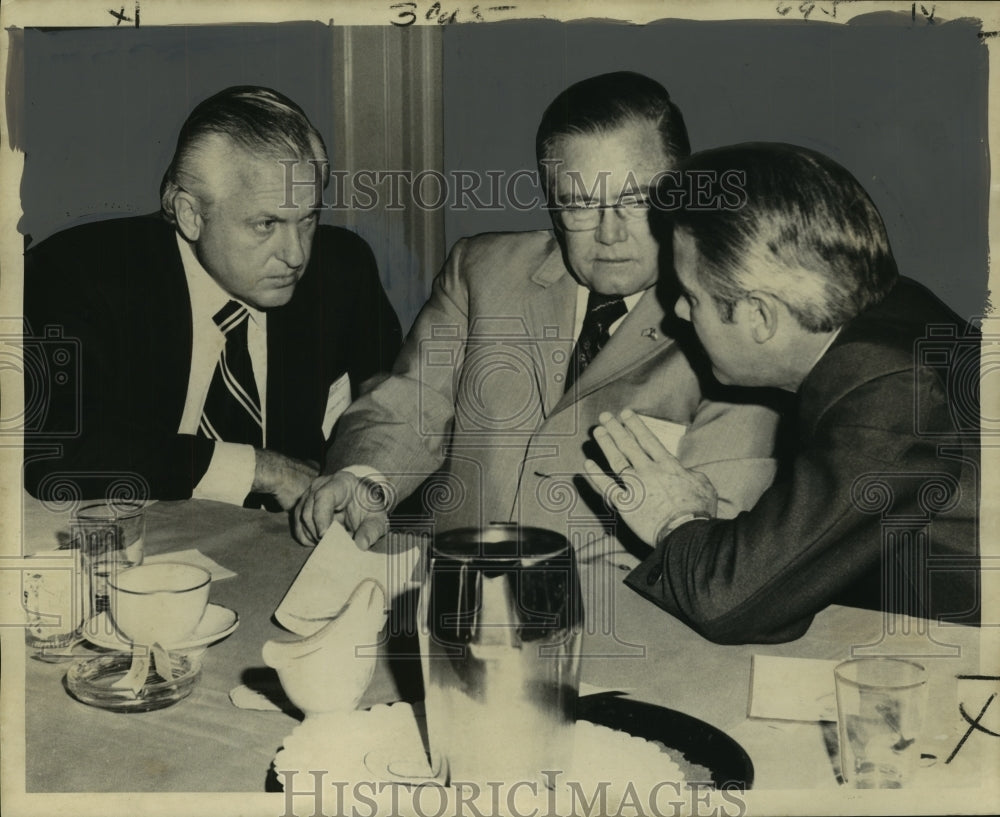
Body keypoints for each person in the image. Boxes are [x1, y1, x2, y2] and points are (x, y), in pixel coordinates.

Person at [294, 72, 781, 556]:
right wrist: (363, 482)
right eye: (580, 205)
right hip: (456, 594)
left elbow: (720, 539)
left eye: (635, 200)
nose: (610, 235)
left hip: (627, 615)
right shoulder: (480, 272)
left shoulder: (730, 326)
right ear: (552, 207)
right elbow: (410, 404)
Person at [585, 142, 981, 644]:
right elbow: (783, 585)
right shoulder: (896, 308)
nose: (679, 315)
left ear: (761, 316)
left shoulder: (887, 391)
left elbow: (730, 603)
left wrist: (673, 519)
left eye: (690, 297)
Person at [23, 86, 402, 509]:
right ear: (190, 215)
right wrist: (260, 469)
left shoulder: (341, 270)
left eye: (308, 218)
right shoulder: (79, 273)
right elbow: (53, 452)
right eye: (265, 224)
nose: (296, 254)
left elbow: (393, 405)